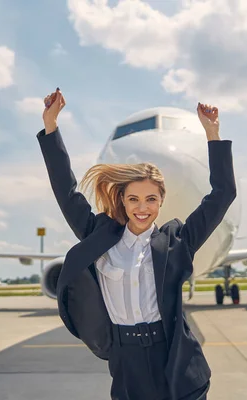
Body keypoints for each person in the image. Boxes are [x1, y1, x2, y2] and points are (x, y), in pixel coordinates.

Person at [37, 88, 236, 400]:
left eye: (151, 199)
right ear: (123, 201)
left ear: (161, 202)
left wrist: (213, 134)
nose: (142, 208)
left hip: (175, 363)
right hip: (125, 360)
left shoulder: (177, 241)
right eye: (134, 199)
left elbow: (222, 193)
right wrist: (51, 128)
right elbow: (66, 191)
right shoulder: (98, 236)